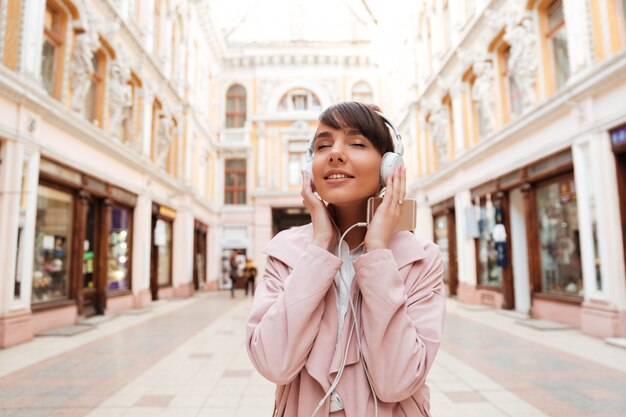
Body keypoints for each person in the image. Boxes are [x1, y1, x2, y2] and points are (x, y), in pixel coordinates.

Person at [246, 102, 445, 417]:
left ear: (389, 167)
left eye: (356, 143)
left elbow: (397, 382)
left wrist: (378, 251)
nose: (335, 154)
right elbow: (273, 364)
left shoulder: (421, 259)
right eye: (323, 145)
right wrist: (320, 246)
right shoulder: (285, 252)